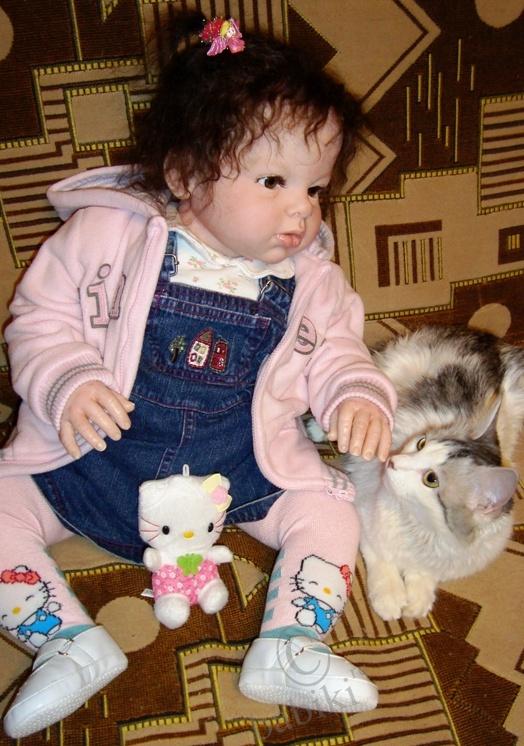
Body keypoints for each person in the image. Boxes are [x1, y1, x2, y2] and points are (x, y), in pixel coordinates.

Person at [0, 13, 396, 739]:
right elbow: (39, 318)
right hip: (87, 464)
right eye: (273, 180)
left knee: (332, 511)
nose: (301, 210)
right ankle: (65, 642)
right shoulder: (106, 234)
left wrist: (356, 395)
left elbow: (340, 351)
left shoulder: (313, 281)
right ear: (184, 174)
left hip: (239, 473)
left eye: (316, 188)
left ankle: (292, 642)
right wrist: (68, 380)